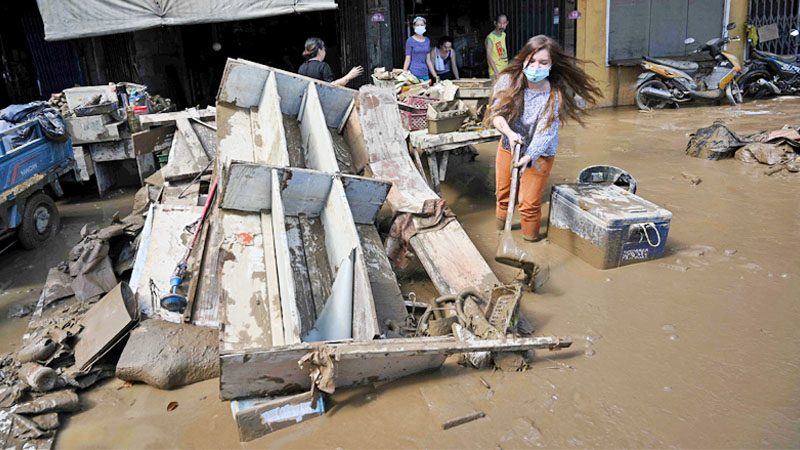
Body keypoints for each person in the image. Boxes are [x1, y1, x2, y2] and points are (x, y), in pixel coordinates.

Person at [485, 35, 601, 242]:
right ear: (523, 60)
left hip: (540, 153)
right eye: (532, 61)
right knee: (503, 194)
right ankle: (500, 234)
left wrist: (529, 157)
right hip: (509, 145)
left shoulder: (553, 95)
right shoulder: (507, 81)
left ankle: (531, 242)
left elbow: (544, 133)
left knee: (528, 203)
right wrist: (510, 135)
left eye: (543, 62)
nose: (536, 66)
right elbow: (496, 115)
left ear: (551, 64)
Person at [298, 37, 363, 87]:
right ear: (319, 50)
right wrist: (349, 76)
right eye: (324, 49)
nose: (325, 52)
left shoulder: (302, 67)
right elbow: (331, 86)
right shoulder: (323, 66)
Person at [403, 16, 437, 82]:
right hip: (413, 74)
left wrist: (435, 76)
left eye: (422, 25)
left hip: (425, 73)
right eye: (417, 25)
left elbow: (428, 60)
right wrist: (404, 73)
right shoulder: (410, 40)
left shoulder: (427, 40)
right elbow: (407, 59)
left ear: (425, 26)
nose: (419, 27)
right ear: (414, 27)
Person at [486, 13, 509, 79]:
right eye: (499, 23)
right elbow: (489, 56)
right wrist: (497, 73)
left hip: (504, 70)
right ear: (495, 23)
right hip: (495, 73)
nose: (502, 26)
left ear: (507, 23)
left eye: (504, 23)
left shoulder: (503, 34)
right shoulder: (490, 38)